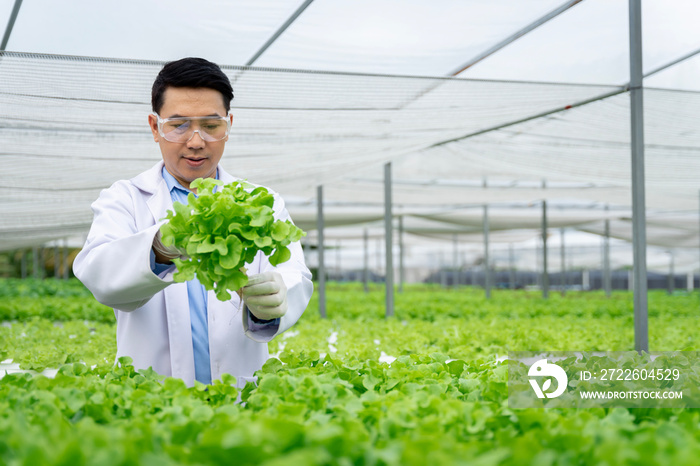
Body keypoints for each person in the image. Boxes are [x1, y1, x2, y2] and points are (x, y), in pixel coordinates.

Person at [73, 57, 313, 387]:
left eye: (211, 126)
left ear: (229, 125)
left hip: (242, 400)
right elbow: (98, 273)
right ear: (155, 127)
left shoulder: (262, 203)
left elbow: (294, 273)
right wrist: (159, 247)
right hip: (152, 398)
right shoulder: (125, 199)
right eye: (179, 125)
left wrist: (275, 296)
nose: (196, 141)